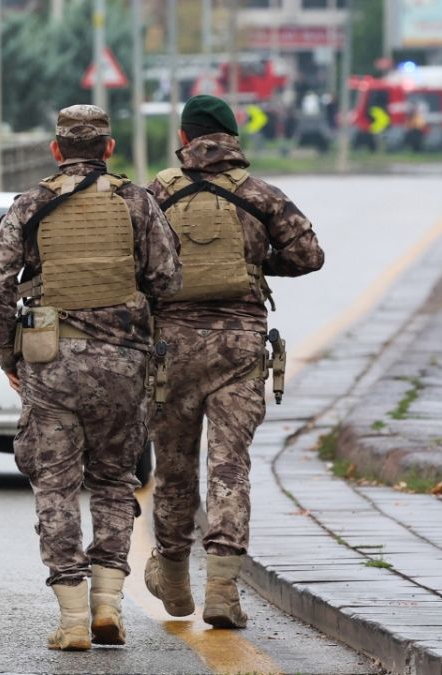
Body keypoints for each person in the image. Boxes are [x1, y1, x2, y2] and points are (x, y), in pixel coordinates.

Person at [0, 105, 181, 651]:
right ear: (108, 148)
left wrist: (7, 355)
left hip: (51, 363)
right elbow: (168, 278)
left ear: (56, 149)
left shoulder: (31, 204)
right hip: (123, 363)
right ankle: (108, 604)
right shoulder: (137, 201)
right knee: (114, 481)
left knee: (56, 485)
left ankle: (71, 619)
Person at [144, 94, 324, 629]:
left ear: (184, 138)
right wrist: (255, 262)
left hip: (170, 349)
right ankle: (222, 588)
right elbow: (308, 255)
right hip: (239, 347)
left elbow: (132, 262)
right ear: (232, 140)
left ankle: (174, 577)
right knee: (229, 466)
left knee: (174, 465)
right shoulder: (260, 194)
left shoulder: (156, 193)